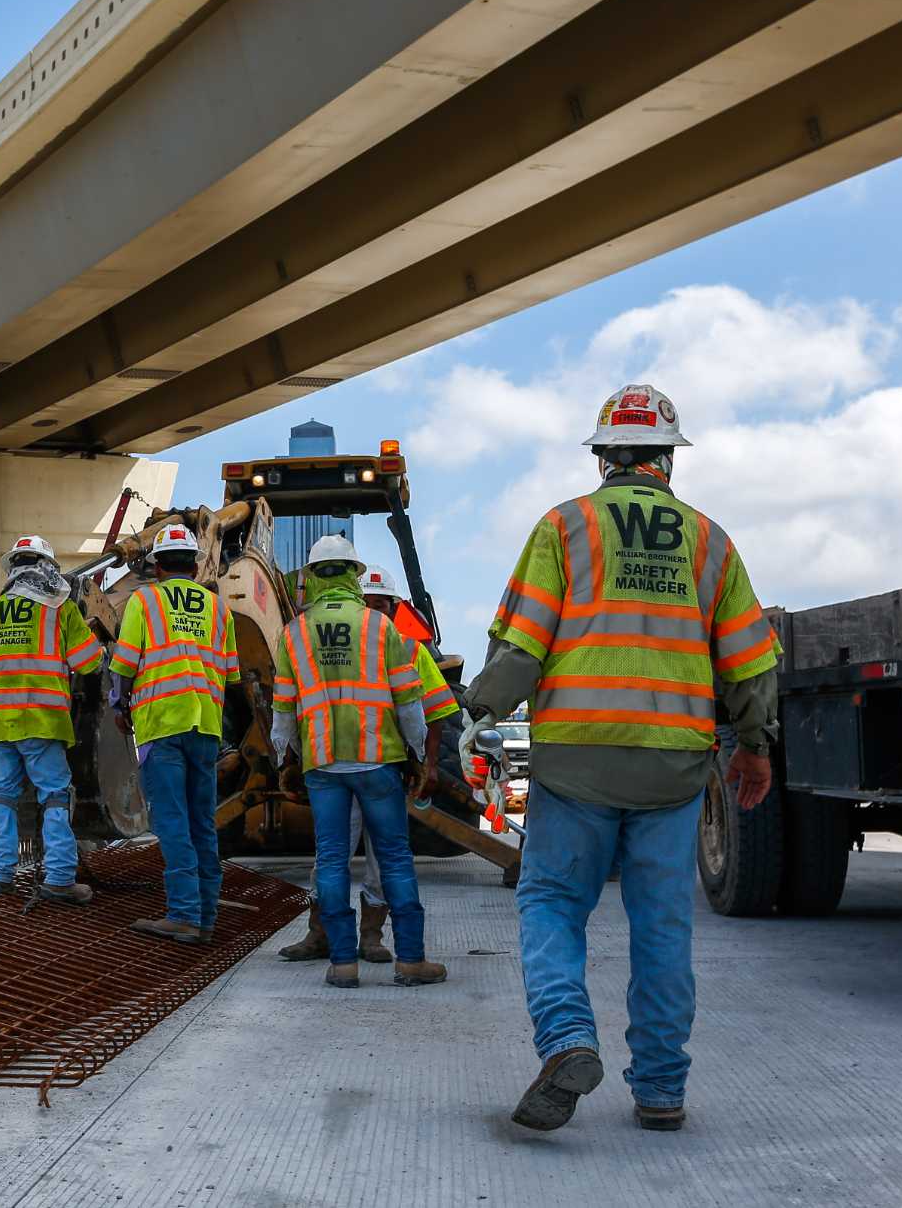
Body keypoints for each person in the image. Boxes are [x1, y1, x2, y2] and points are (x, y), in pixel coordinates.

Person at [461, 384, 779, 1133]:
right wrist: (755, 746)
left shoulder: (565, 526)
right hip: (673, 769)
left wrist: (480, 710)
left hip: (577, 764)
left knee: (552, 904)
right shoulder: (710, 540)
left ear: (604, 454)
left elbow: (522, 643)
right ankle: (662, 1088)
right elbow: (748, 661)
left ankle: (569, 1038)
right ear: (669, 458)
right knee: (663, 927)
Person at [269, 536, 452, 989]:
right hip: (377, 764)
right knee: (393, 859)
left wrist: (285, 759)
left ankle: (342, 964)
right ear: (353, 572)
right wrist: (415, 755)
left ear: (311, 576)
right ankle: (410, 961)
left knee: (331, 861)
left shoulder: (293, 633)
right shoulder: (379, 627)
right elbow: (410, 705)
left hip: (324, 767)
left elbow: (282, 713)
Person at [107, 522, 239, 943]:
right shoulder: (219, 607)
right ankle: (206, 914)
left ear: (158, 565)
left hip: (162, 724)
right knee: (202, 821)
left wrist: (119, 705)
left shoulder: (145, 600)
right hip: (205, 725)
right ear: (194, 564)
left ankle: (183, 914)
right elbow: (231, 673)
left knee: (172, 821)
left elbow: (125, 663)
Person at [0, 534, 104, 905]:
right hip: (43, 720)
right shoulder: (60, 609)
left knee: (2, 800)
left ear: (12, 568)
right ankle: (59, 878)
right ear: (46, 568)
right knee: (55, 797)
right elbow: (89, 662)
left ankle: (0, 876)